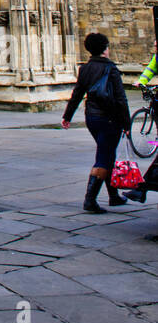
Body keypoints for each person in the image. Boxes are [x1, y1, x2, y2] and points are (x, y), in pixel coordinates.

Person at [62, 31, 131, 213]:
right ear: (105, 49)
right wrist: (127, 123)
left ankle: (114, 196)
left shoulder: (85, 69)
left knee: (107, 154)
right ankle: (90, 200)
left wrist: (67, 116)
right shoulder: (111, 69)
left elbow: (76, 94)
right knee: (103, 158)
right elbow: (121, 99)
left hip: (92, 118)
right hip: (109, 119)